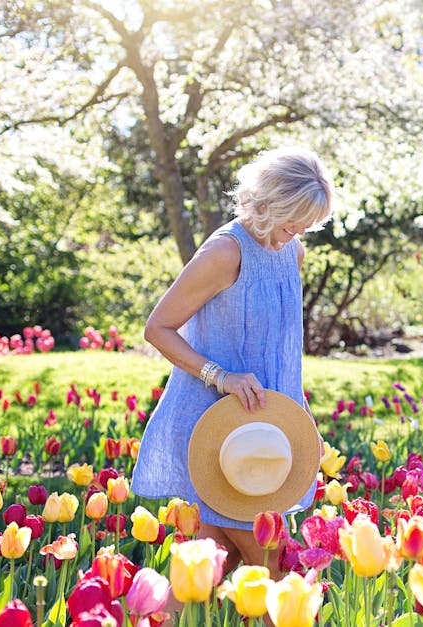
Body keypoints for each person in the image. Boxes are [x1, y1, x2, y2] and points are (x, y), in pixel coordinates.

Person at [133, 146, 334, 578]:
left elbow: (280, 353)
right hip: (224, 433)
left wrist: (303, 419)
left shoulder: (292, 252)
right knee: (280, 575)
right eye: (291, 223)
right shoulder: (225, 252)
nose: (297, 234)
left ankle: (146, 613)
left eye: (306, 226)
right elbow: (158, 328)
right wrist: (221, 376)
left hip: (266, 430)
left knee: (208, 571)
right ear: (268, 204)